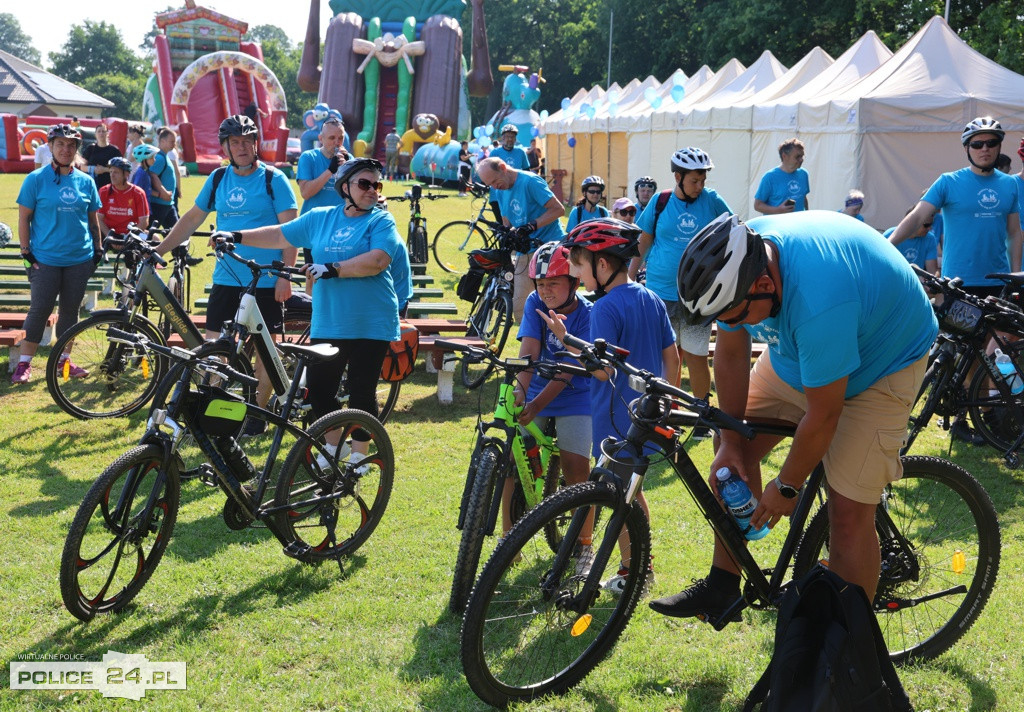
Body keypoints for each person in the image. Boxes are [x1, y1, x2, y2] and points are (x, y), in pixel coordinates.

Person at [650, 210, 937, 621]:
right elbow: (730, 353)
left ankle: (846, 649)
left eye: (732, 318)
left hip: (883, 361)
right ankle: (723, 585)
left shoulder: (818, 298)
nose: (730, 327)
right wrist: (731, 441)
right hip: (804, 349)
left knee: (848, 514)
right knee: (733, 446)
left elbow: (823, 414)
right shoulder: (741, 264)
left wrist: (786, 486)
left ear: (765, 285)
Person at [211, 158, 401, 461]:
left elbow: (378, 260)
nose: (372, 190)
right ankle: (333, 447)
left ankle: (360, 456)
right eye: (364, 183)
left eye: (376, 184)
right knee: (320, 388)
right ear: (345, 187)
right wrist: (236, 235)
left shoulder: (380, 221)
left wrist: (333, 268)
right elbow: (280, 234)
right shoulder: (320, 217)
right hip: (329, 319)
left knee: (361, 389)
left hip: (371, 319)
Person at [541, 218, 678, 592]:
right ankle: (637, 569)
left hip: (617, 421)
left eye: (581, 267)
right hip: (648, 416)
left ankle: (635, 572)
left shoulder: (603, 308)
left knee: (623, 499)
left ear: (603, 265)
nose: (577, 275)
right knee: (632, 493)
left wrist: (566, 347)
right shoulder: (651, 298)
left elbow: (602, 372)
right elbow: (673, 359)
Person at [155, 114, 298, 425]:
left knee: (266, 353)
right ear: (226, 148)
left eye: (248, 141)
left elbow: (292, 230)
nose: (243, 147)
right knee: (215, 349)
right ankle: (212, 413)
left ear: (256, 144)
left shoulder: (274, 179)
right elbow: (192, 218)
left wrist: (286, 275)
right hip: (227, 277)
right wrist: (159, 250)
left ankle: (256, 416)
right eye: (236, 142)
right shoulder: (218, 179)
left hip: (265, 277)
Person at [888, 116, 1022, 443]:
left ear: (999, 146)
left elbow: (1015, 233)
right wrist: (887, 246)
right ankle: (960, 417)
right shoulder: (949, 182)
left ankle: (985, 414)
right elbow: (919, 216)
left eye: (991, 143)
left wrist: (1017, 276)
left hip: (996, 282)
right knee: (961, 350)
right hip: (957, 282)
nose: (985, 149)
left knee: (989, 350)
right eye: (978, 143)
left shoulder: (1009, 185)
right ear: (967, 148)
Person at [630, 147, 731, 438]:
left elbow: (733, 233)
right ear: (678, 176)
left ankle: (702, 415)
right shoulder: (661, 201)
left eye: (702, 180)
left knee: (697, 356)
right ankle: (666, 413)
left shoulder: (711, 201)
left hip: (698, 295)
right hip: (660, 292)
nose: (699, 186)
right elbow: (644, 238)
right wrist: (628, 276)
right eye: (694, 181)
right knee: (667, 356)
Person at [502, 241, 593, 560]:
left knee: (577, 467)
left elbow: (570, 369)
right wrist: (521, 392)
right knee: (513, 462)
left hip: (575, 396)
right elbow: (529, 352)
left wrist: (536, 404)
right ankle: (507, 542)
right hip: (537, 387)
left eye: (553, 283)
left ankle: (583, 546)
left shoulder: (587, 313)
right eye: (540, 284)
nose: (545, 291)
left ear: (574, 282)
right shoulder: (532, 303)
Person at [12, 124, 102, 384]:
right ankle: (24, 364)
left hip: (79, 259)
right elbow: (24, 219)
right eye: (60, 144)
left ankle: (65, 361)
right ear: (50, 147)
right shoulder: (35, 179)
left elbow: (93, 220)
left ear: (77, 149)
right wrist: (26, 253)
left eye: (71, 145)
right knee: (39, 310)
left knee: (70, 312)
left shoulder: (86, 181)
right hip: (45, 260)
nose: (66, 149)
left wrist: (96, 251)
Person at [475, 156, 565, 323]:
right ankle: (531, 344)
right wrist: (506, 233)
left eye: (495, 181)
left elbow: (558, 210)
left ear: (503, 167)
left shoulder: (530, 182)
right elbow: (507, 221)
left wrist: (532, 226)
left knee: (553, 304)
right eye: (490, 185)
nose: (494, 187)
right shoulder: (499, 190)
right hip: (526, 250)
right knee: (520, 307)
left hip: (549, 247)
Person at [753, 137, 809, 214]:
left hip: (798, 224)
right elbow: (757, 205)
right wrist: (778, 210)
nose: (801, 159)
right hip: (776, 225)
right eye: (797, 156)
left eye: (802, 156)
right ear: (784, 156)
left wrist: (807, 214)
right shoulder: (769, 177)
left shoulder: (803, 174)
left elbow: (803, 197)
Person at [487, 125, 530, 221]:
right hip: (497, 195)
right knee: (501, 226)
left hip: (516, 194)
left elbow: (527, 172)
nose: (510, 139)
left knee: (516, 224)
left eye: (512, 137)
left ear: (515, 139)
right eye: (507, 136)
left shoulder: (520, 152)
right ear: (502, 138)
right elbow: (488, 171)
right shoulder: (495, 153)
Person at [97, 157, 150, 235]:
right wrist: (110, 236)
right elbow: (99, 219)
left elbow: (144, 222)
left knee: (155, 237)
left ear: (126, 174)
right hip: (108, 233)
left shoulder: (138, 193)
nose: (112, 175)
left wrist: (128, 238)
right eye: (110, 172)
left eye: (116, 172)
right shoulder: (104, 191)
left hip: (131, 234)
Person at [882, 209, 937, 274]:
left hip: (917, 281)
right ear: (912, 223)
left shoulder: (930, 238)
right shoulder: (889, 235)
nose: (930, 228)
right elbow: (882, 265)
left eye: (931, 224)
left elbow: (932, 272)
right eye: (926, 225)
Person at [148, 128, 180, 229]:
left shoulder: (165, 156)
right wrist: (163, 193)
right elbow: (152, 175)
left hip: (168, 204)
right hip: (159, 204)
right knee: (148, 234)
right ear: (162, 141)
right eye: (172, 142)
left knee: (177, 235)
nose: (174, 144)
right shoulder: (159, 158)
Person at [80, 123, 122, 190]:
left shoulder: (114, 150)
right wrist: (93, 169)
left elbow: (120, 169)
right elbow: (81, 167)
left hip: (109, 186)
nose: (101, 133)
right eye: (99, 131)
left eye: (103, 131)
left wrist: (105, 170)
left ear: (107, 134)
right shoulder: (90, 149)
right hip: (92, 186)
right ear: (95, 134)